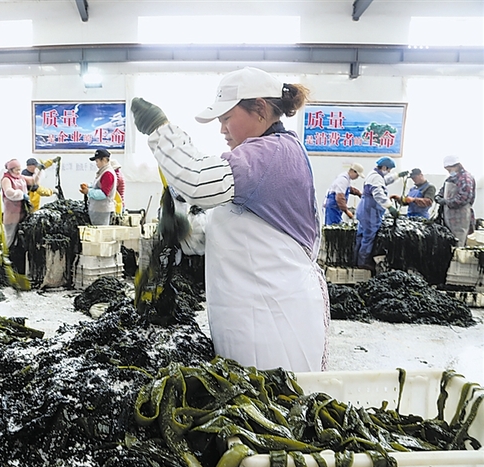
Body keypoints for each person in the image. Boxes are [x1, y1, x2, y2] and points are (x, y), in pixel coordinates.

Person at [132, 66, 327, 372]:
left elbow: (197, 180)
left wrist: (161, 130)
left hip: (276, 321)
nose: (222, 129)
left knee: (278, 404)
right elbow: (239, 232)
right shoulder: (261, 156)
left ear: (259, 109)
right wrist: (188, 233)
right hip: (252, 315)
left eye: (226, 118)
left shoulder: (272, 152)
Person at [354, 157, 408, 270]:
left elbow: (385, 181)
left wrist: (397, 176)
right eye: (389, 170)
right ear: (384, 167)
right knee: (368, 237)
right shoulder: (376, 177)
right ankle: (363, 263)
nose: (389, 172)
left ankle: (356, 260)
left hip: (365, 210)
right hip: (370, 212)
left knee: (361, 236)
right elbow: (378, 194)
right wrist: (390, 207)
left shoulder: (375, 175)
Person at [435, 155, 476, 246]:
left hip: (461, 217)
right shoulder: (451, 178)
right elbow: (443, 190)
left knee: (458, 242)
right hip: (449, 215)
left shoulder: (466, 178)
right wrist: (438, 196)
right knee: (449, 241)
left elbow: (464, 197)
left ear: (456, 166)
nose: (449, 172)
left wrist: (446, 202)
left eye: (449, 169)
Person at [79, 148, 117, 226]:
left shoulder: (108, 174)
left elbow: (103, 194)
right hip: (98, 209)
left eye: (97, 161)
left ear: (103, 160)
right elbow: (98, 185)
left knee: (100, 234)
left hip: (102, 210)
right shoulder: (103, 171)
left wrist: (88, 191)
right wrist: (88, 186)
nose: (96, 164)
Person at [1, 158, 30, 248]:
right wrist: (21, 194)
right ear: (11, 170)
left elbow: (33, 180)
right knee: (9, 239)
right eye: (17, 170)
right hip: (11, 215)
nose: (19, 172)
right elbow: (8, 192)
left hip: (22, 214)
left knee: (20, 241)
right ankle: (4, 258)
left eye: (19, 169)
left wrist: (40, 169)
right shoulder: (6, 179)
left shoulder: (21, 178)